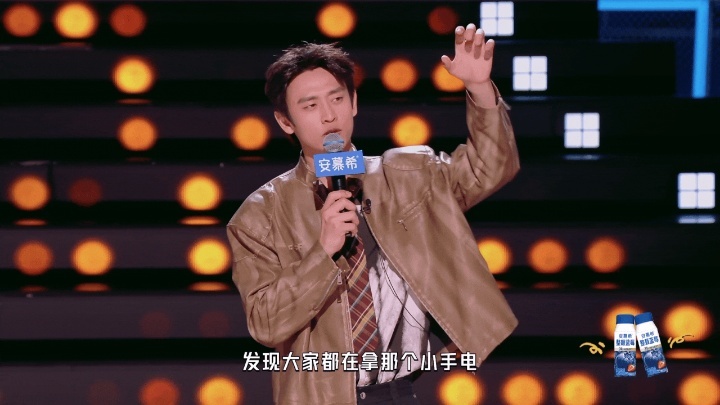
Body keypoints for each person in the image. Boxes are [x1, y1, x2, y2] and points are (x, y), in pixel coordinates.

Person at [226, 23, 519, 405]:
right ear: (285, 121)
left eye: (337, 99)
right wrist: (323, 251)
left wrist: (479, 89)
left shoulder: (410, 174)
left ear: (354, 103)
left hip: (406, 390)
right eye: (310, 106)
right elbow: (266, 323)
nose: (328, 115)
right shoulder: (259, 216)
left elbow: (489, 168)